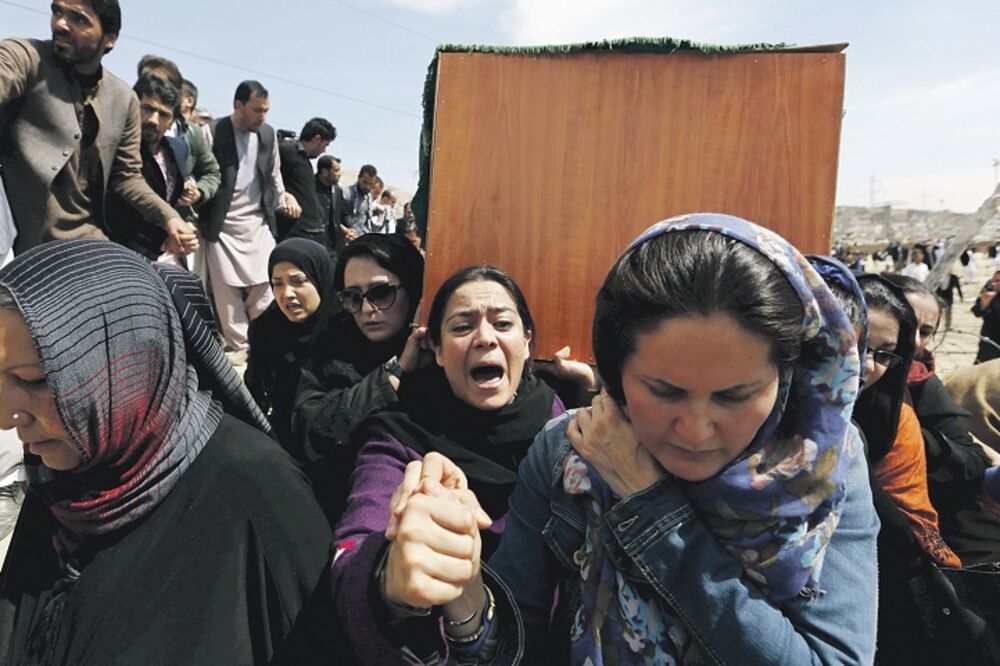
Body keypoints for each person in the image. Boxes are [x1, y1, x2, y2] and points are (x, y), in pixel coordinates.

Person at [379, 214, 878, 663]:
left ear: (785, 377)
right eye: (664, 391)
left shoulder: (824, 465)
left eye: (734, 396)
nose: (696, 429)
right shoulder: (570, 451)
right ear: (616, 373)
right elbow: (514, 641)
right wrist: (465, 592)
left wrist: (652, 509)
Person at [0, 240, 333, 664]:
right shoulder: (64, 478)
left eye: (32, 379)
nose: (6, 416)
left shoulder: (255, 486)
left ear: (128, 362)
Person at [329, 265, 573, 662]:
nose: (485, 339)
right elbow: (357, 540)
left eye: (503, 323)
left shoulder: (562, 426)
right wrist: (390, 579)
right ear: (438, 351)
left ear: (527, 342)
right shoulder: (398, 437)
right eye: (462, 328)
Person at [0, 0, 196, 256]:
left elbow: (127, 178)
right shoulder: (25, 57)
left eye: (79, 19)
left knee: (166, 290)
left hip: (90, 243)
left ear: (109, 38)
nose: (61, 24)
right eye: (57, 11)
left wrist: (170, 217)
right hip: (24, 243)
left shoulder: (123, 99)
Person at [292, 234, 424, 522]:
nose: (366, 310)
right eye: (353, 297)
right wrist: (394, 372)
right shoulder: (332, 344)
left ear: (412, 290)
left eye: (381, 294)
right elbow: (311, 426)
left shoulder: (437, 353)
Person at [883, 273, 1000, 565]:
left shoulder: (920, 378)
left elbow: (972, 460)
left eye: (925, 331)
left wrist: (918, 441)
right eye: (905, 325)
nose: (913, 341)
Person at [200, 80, 296, 364]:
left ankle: (264, 341)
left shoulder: (267, 135)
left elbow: (275, 176)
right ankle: (239, 346)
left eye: (266, 111)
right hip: (222, 226)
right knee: (226, 291)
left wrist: (284, 199)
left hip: (258, 222)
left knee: (265, 283)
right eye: (257, 110)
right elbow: (202, 170)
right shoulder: (212, 132)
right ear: (238, 105)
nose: (263, 117)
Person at [245, 238, 336, 447]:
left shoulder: (344, 328)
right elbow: (253, 390)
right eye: (277, 284)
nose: (286, 294)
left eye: (298, 281)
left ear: (320, 278)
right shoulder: (266, 329)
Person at [104, 74, 192, 262]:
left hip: (164, 255)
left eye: (163, 114)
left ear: (172, 121)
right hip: (119, 253)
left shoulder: (177, 149)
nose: (153, 120)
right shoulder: (118, 150)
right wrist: (163, 240)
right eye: (147, 109)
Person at [277, 117, 336, 242]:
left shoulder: (304, 161)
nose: (325, 150)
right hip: (293, 234)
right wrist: (285, 195)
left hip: (310, 233)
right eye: (325, 144)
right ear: (317, 139)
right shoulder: (285, 150)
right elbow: (266, 179)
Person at [342, 164, 377, 240]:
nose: (367, 187)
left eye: (371, 184)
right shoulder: (347, 194)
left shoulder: (368, 198)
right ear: (359, 178)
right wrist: (346, 231)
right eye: (365, 182)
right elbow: (336, 220)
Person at [972, 270, 1000, 364]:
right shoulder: (989, 288)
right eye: (995, 280)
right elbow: (976, 312)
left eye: (999, 281)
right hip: (988, 340)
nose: (996, 283)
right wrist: (984, 304)